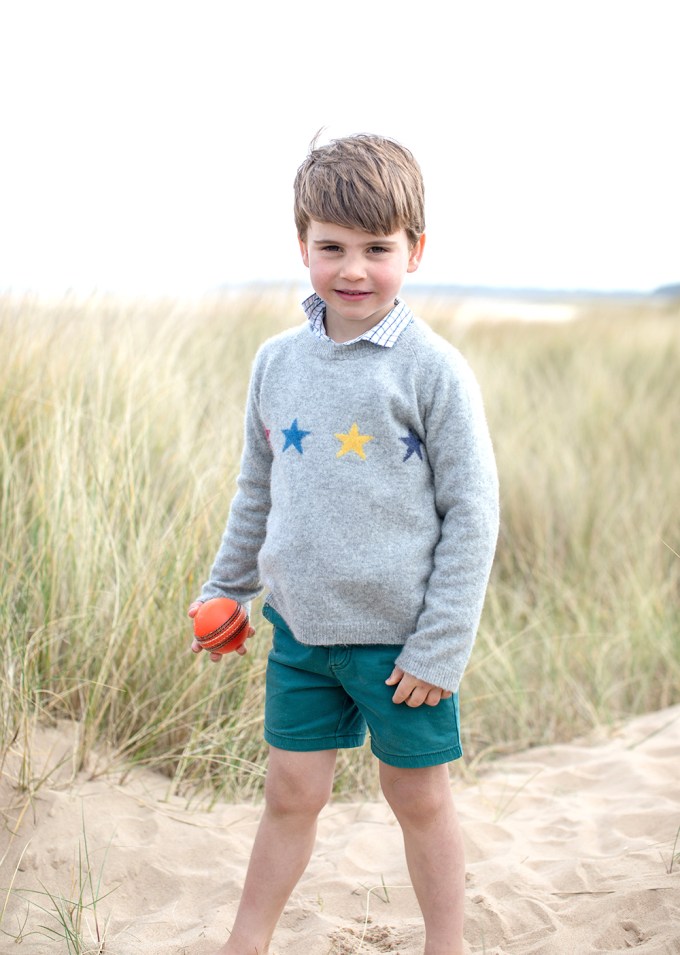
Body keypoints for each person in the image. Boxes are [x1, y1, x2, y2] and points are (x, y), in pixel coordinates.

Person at [189, 133, 499, 955]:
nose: (353, 269)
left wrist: (440, 648)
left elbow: (473, 513)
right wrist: (226, 588)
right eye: (331, 247)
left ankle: (447, 944)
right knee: (290, 793)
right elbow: (257, 489)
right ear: (302, 246)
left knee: (418, 797)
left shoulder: (433, 370)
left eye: (377, 248)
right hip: (301, 634)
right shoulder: (276, 362)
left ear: (415, 251)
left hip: (402, 647)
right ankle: (245, 940)